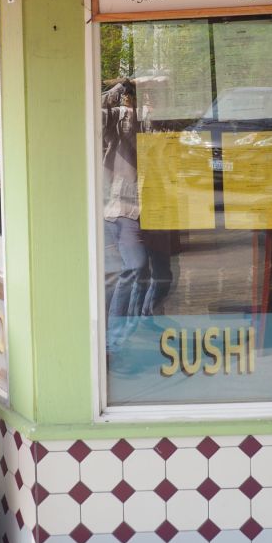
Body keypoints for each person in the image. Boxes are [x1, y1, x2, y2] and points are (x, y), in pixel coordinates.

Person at [102, 79, 172, 355]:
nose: (151, 100)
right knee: (136, 267)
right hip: (127, 209)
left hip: (156, 208)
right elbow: (95, 110)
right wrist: (121, 89)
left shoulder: (162, 123)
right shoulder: (123, 118)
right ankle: (114, 337)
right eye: (147, 95)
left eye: (156, 95)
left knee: (163, 275)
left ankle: (144, 317)